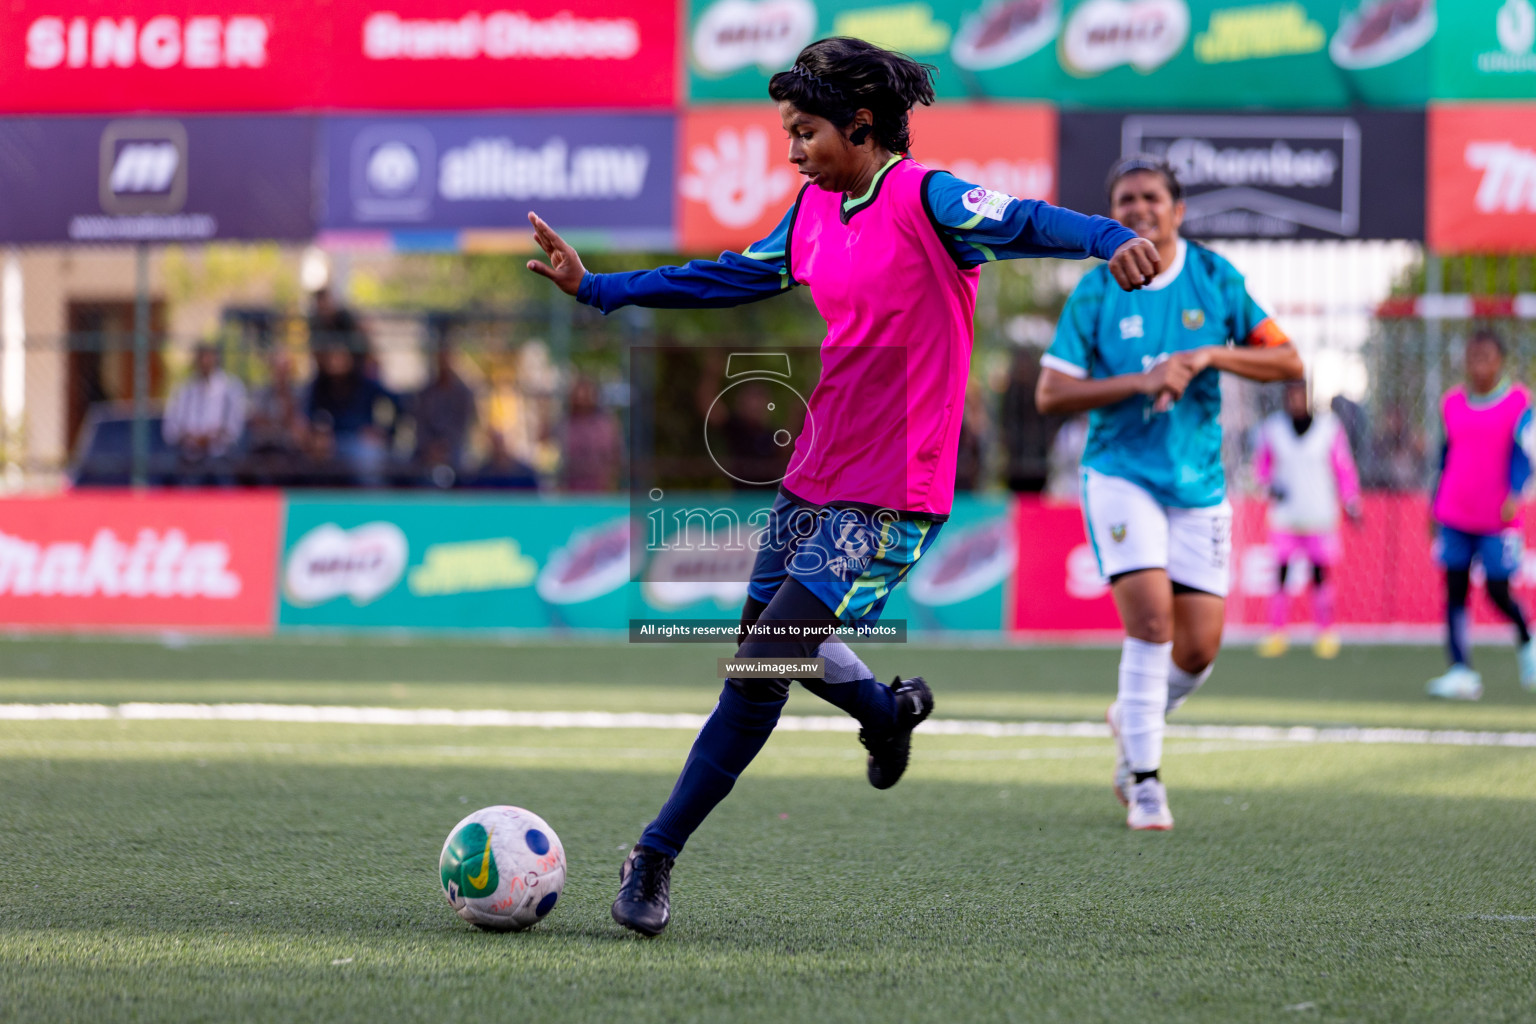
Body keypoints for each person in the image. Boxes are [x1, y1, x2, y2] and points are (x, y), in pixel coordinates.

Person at [527, 36, 1157, 935]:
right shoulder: (813, 209)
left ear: (860, 127)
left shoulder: (928, 198)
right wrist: (599, 289)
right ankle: (885, 708)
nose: (792, 151)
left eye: (805, 132)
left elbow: (1026, 219)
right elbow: (728, 275)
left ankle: (653, 855)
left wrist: (1112, 239)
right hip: (813, 475)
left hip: (891, 491)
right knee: (765, 657)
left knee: (760, 667)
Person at [1035, 155, 1303, 832]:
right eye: (1124, 200)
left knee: (1197, 652)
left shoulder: (1217, 280)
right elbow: (1051, 393)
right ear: (1112, 214)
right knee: (1151, 623)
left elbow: (1288, 360)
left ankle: (1131, 718)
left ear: (1177, 210)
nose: (1137, 209)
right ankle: (1145, 781)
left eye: (1150, 197)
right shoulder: (1094, 293)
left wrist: (1211, 355)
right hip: (1120, 473)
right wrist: (1141, 380)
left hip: (1199, 484)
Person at [1425, 329, 1536, 701]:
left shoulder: (1519, 402)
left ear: (1500, 361)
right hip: (1454, 512)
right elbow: (1445, 457)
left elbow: (1526, 455)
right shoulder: (1451, 403)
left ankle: (1528, 642)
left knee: (1497, 591)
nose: (1478, 365)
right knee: (1454, 591)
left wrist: (1516, 491)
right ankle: (1461, 671)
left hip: (1497, 516)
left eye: (1486, 357)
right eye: (1473, 358)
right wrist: (1434, 503)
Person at [1254, 379, 1363, 660]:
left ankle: (1325, 631)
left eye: (1299, 395)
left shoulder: (1329, 428)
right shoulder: (1273, 429)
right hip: (1285, 516)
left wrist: (1351, 500)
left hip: (1319, 513)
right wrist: (1269, 486)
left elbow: (1343, 467)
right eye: (1290, 396)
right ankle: (1277, 632)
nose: (1295, 401)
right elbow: (1262, 468)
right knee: (1281, 574)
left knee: (1319, 573)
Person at [305, 344, 399, 487]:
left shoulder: (364, 383)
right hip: (332, 443)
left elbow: (398, 403)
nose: (335, 361)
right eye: (331, 356)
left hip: (360, 443)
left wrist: (386, 432)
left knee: (369, 456)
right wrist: (318, 435)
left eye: (340, 356)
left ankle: (372, 505)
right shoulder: (319, 386)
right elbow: (312, 418)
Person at [161, 342, 247, 485]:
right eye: (202, 357)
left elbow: (235, 429)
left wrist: (211, 437)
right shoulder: (184, 390)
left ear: (217, 359)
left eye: (209, 357)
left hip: (221, 459)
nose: (205, 362)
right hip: (190, 460)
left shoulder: (230, 388)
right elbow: (170, 430)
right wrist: (191, 437)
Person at [412, 342, 477, 486]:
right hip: (427, 448)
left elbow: (463, 427)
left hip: (454, 447)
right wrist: (430, 447)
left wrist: (444, 447)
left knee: (464, 467)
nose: (444, 364)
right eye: (441, 360)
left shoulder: (464, 394)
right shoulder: (426, 392)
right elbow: (420, 425)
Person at [560, 375, 622, 491]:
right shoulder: (564, 425)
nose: (582, 400)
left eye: (586, 395)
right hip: (571, 491)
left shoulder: (606, 424)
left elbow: (615, 455)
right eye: (578, 397)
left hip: (600, 489)